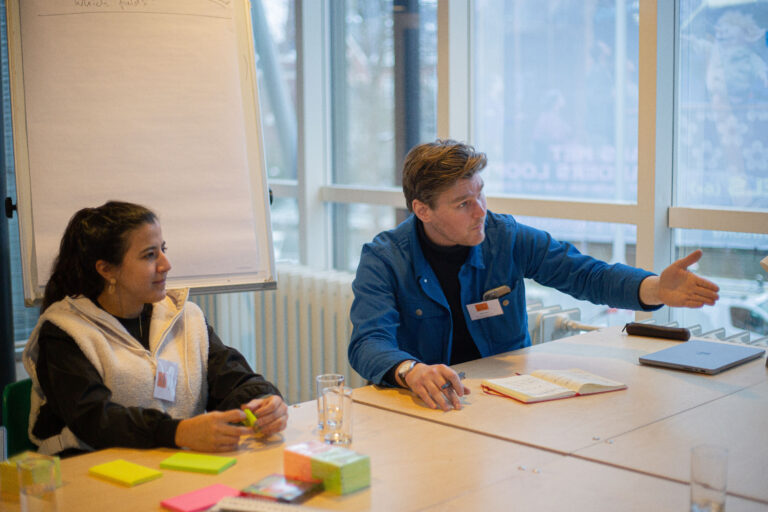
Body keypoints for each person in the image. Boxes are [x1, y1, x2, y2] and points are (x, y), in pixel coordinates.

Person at [348, 140, 720, 412]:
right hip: (427, 407)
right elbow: (368, 342)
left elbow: (587, 275)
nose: (480, 211)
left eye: (481, 195)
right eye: (463, 204)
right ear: (422, 210)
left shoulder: (504, 237)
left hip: (508, 400)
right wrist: (410, 370)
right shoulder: (383, 259)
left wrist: (654, 288)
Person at [23, 201, 288, 456]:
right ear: (106, 270)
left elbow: (234, 379)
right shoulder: (65, 331)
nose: (166, 264)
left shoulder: (186, 317)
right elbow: (94, 419)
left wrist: (264, 402)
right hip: (86, 472)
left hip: (171, 465)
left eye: (163, 249)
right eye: (150, 255)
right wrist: (177, 432)